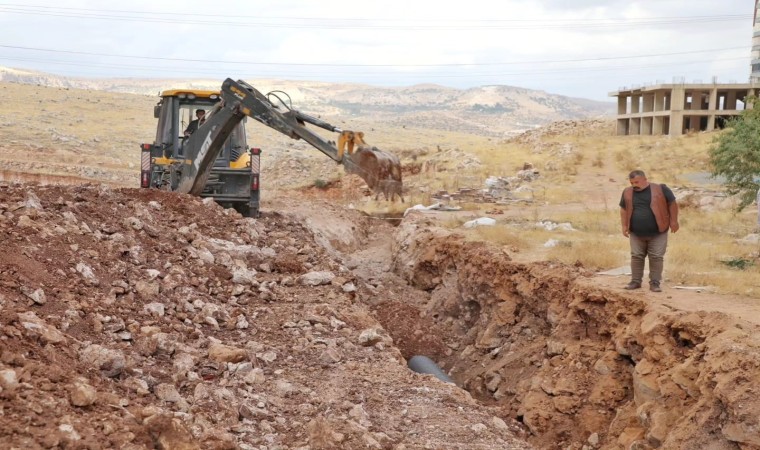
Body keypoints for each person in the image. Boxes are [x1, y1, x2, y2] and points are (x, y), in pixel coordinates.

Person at [619, 170, 679, 292]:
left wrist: (674, 221)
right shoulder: (627, 192)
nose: (634, 185)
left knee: (656, 257)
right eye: (632, 182)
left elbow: (672, 204)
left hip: (658, 231)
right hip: (636, 232)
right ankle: (635, 281)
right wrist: (624, 226)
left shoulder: (660, 189)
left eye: (637, 182)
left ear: (645, 179)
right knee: (636, 256)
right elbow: (623, 209)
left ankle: (655, 283)